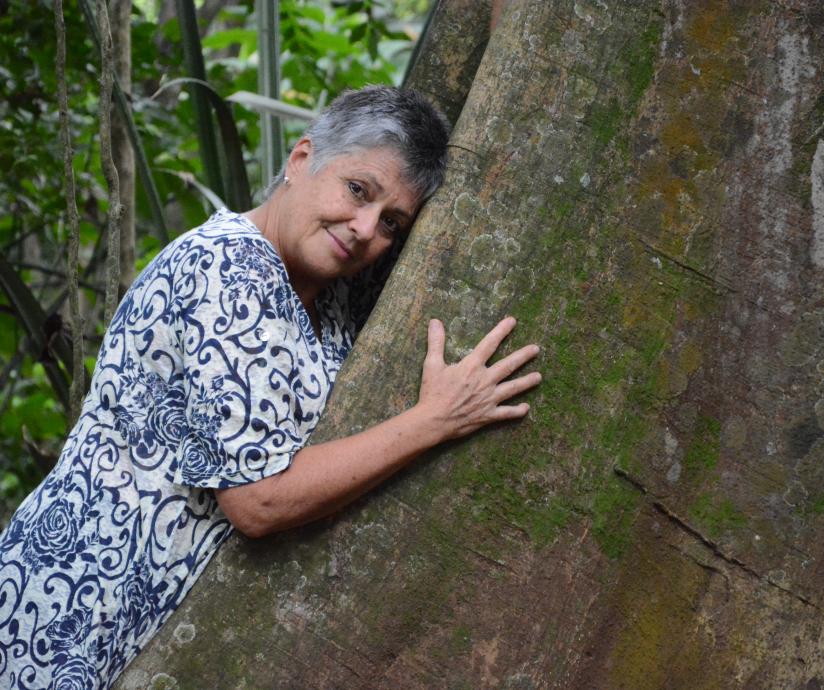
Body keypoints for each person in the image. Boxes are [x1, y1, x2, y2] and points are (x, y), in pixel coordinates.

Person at [0, 86, 541, 688]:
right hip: (66, 613)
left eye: (392, 222)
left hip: (140, 620)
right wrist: (435, 419)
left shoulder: (330, 291)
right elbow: (257, 500)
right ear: (301, 159)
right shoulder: (227, 267)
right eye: (357, 189)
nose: (365, 229)